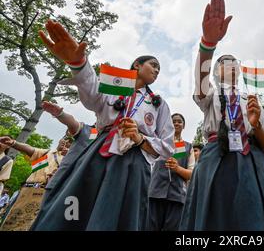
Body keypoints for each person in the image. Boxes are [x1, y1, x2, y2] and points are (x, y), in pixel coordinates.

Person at [31, 19, 175, 231]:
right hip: (98, 153)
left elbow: (168, 145)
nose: (156, 71)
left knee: (119, 213)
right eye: (153, 65)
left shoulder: (159, 103)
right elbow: (91, 94)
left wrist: (141, 138)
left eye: (159, 69)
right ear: (137, 65)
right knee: (77, 205)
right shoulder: (113, 85)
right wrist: (78, 64)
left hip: (134, 162)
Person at [180, 0, 264, 231]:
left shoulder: (251, 101)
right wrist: (208, 45)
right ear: (216, 70)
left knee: (257, 214)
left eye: (234, 62)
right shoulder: (210, 95)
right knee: (215, 214)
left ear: (239, 71)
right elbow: (200, 80)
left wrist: (256, 124)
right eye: (224, 62)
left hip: (251, 159)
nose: (230, 65)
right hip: (216, 155)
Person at [0, 133, 72, 231]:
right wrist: (13, 143)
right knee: (9, 223)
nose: (66, 142)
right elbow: (29, 149)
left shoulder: (74, 160)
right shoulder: (47, 153)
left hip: (45, 196)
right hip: (25, 193)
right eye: (65, 138)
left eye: (71, 141)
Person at [148, 113, 195, 231]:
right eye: (173, 121)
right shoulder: (159, 142)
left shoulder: (188, 147)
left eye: (179, 121)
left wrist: (178, 169)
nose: (176, 123)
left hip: (177, 197)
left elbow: (192, 174)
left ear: (184, 126)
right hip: (155, 194)